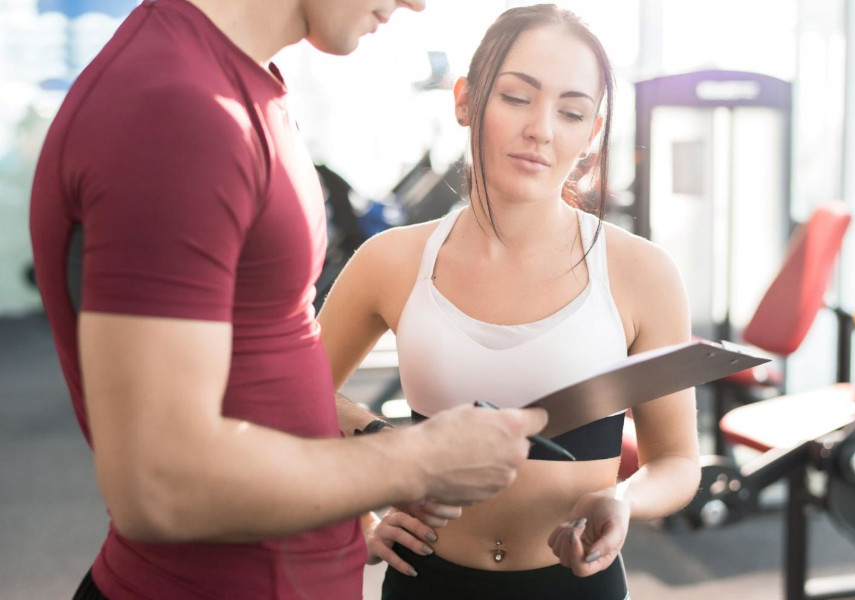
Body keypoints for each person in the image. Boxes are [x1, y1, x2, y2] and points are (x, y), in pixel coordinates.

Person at [28, 0, 549, 598]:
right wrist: (418, 462)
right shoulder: (176, 107)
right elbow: (159, 483)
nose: (418, 3)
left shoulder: (243, 87)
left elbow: (264, 370)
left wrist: (372, 463)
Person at [318, 4, 702, 599]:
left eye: (571, 111)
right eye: (518, 98)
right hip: (425, 580)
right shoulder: (391, 261)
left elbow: (677, 460)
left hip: (576, 585)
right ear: (466, 100)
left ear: (591, 132)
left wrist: (622, 499)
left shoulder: (641, 272)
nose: (542, 130)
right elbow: (292, 391)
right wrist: (364, 498)